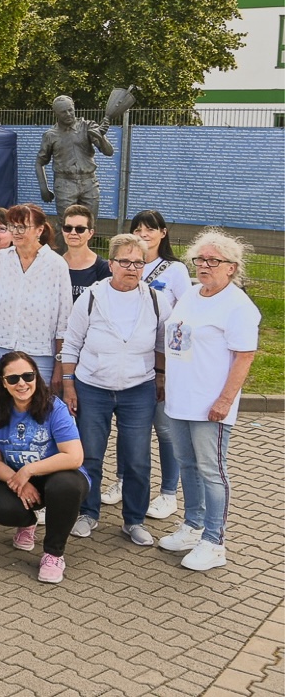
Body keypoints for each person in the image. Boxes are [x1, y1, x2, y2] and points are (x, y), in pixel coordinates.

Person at [157, 229, 260, 572]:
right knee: (188, 465)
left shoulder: (237, 306)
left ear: (231, 267)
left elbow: (244, 357)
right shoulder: (189, 293)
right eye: (200, 259)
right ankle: (192, 525)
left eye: (213, 261)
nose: (204, 265)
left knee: (212, 471)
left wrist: (225, 401)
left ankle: (215, 541)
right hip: (179, 400)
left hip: (210, 405)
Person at [61, 233, 170, 547]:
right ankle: (87, 512)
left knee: (137, 458)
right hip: (92, 387)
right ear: (111, 264)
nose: (132, 268)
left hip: (138, 389)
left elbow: (163, 344)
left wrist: (160, 377)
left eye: (139, 262)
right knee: (90, 454)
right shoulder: (92, 298)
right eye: (125, 261)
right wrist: (69, 385)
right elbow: (71, 344)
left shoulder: (155, 300)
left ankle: (133, 520)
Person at [100, 209, 192, 516]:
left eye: (150, 229)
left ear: (163, 233)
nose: (144, 233)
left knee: (164, 429)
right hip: (131, 360)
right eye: (138, 228)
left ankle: (168, 492)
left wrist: (167, 368)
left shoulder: (175, 270)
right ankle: (123, 480)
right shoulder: (122, 263)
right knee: (130, 429)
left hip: (164, 362)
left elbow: (183, 316)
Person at [0, 351, 88, 584]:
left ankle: (53, 554)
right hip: (19, 477)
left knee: (64, 486)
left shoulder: (55, 408)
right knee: (0, 506)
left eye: (28, 376)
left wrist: (28, 470)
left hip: (59, 476)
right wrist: (19, 481)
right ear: (3, 383)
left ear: (36, 376)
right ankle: (27, 522)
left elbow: (74, 457)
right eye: (13, 379)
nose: (21, 383)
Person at [0, 203, 72, 390]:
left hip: (39, 352)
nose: (16, 231)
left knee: (37, 409)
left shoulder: (56, 265)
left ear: (40, 229)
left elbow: (64, 319)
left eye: (22, 226)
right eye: (12, 226)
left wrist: (59, 363)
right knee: (2, 406)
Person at [36, 95, 113, 222]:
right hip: (65, 183)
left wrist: (101, 137)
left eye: (70, 110)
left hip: (89, 183)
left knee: (90, 225)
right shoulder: (50, 135)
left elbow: (109, 152)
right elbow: (39, 162)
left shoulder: (87, 126)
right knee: (66, 225)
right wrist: (44, 188)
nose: (68, 114)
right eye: (63, 112)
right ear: (55, 113)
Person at [61, 204, 110, 300]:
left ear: (90, 233)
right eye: (68, 228)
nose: (73, 233)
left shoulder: (103, 268)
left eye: (80, 229)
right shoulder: (55, 264)